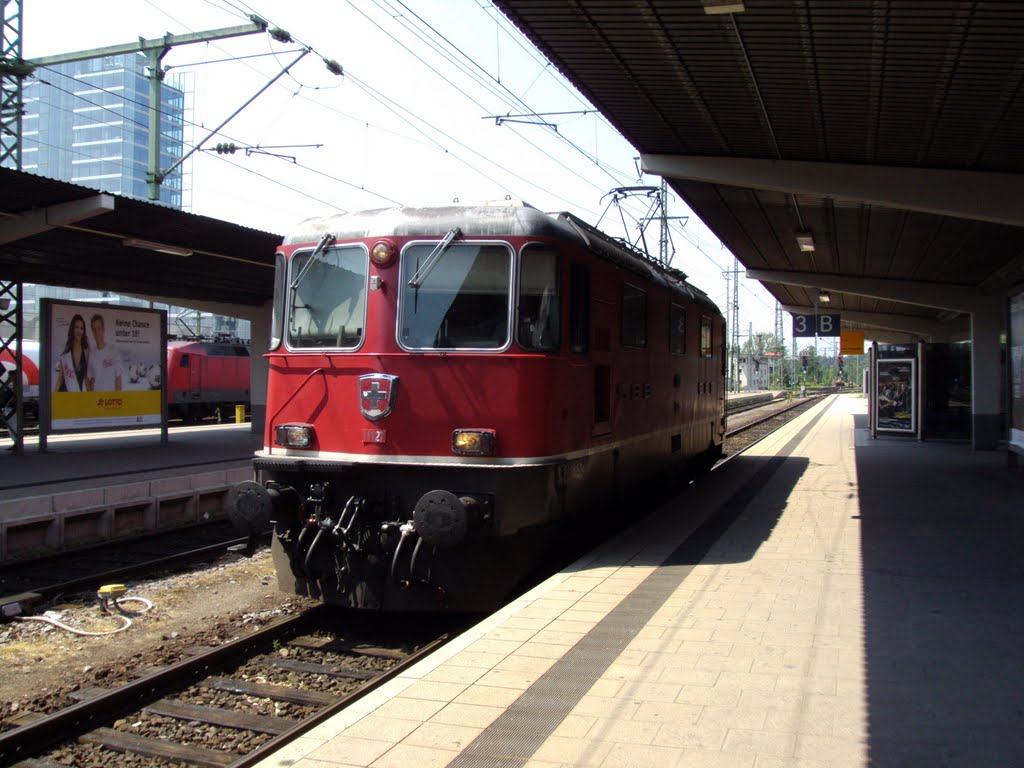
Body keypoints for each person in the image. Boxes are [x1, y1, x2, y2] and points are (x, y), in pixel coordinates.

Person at [86, 313, 123, 392]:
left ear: (103, 329)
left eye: (99, 328)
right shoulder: (91, 354)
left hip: (111, 401)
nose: (97, 332)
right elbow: (91, 379)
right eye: (94, 329)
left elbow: (118, 380)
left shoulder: (113, 351)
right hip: (97, 400)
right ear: (92, 331)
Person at [55, 314, 89, 392]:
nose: (79, 331)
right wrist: (53, 398)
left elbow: (86, 378)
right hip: (65, 395)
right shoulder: (66, 353)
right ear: (72, 329)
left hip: (77, 395)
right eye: (76, 327)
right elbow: (60, 379)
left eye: (81, 328)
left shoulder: (86, 352)